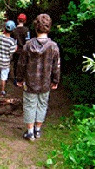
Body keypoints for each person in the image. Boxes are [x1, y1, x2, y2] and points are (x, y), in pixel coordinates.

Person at [18, 13, 61, 141]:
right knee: (42, 105)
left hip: (30, 82)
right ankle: (38, 130)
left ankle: (30, 132)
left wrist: (19, 79)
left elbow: (21, 64)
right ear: (49, 28)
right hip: (45, 83)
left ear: (35, 27)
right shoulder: (53, 46)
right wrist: (55, 80)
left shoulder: (28, 45)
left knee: (29, 105)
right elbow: (56, 66)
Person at [0, 20, 18, 95]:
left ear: (4, 28)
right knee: (4, 77)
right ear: (13, 30)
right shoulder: (12, 41)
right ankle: (2, 90)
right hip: (6, 62)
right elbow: (11, 52)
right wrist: (15, 49)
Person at [11, 13, 31, 86]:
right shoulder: (26, 30)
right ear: (25, 21)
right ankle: (23, 80)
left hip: (16, 50)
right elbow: (28, 41)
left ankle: (16, 80)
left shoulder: (14, 30)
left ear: (17, 20)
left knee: (16, 65)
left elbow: (12, 40)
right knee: (24, 65)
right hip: (24, 50)